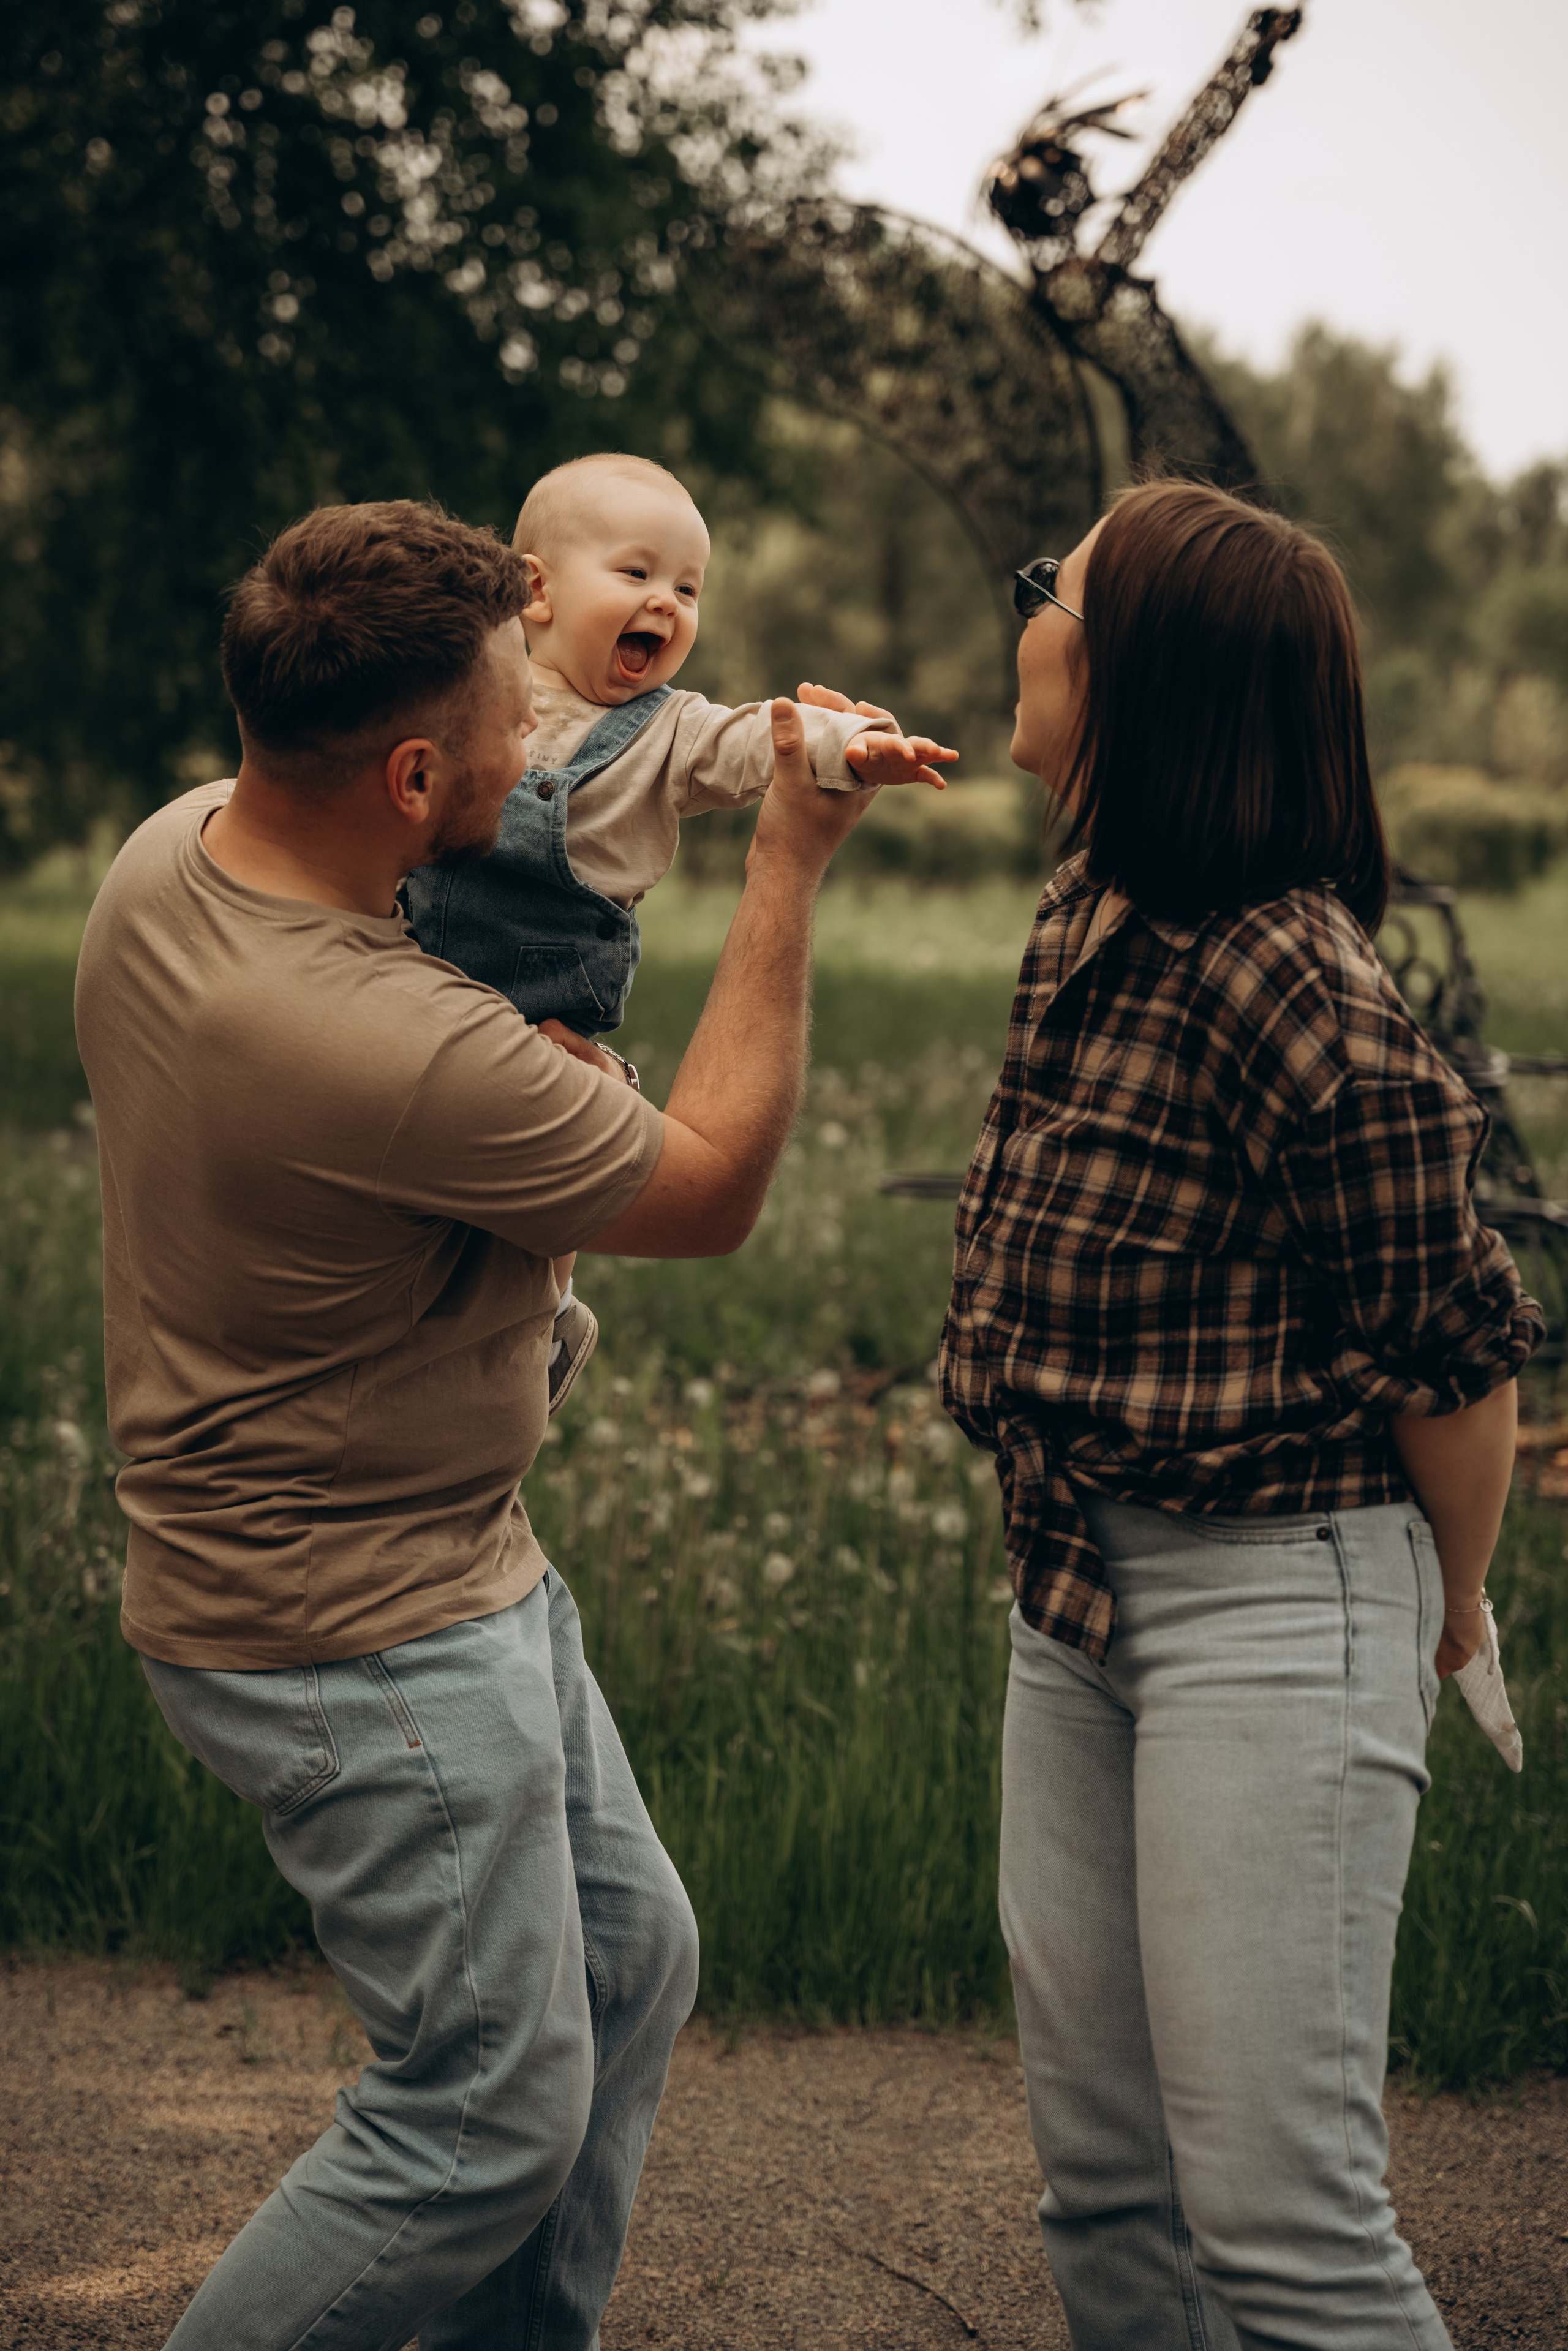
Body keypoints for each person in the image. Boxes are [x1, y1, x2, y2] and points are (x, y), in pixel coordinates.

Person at [73, 497, 886, 2351]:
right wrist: (786, 861)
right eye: (511, 730)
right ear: (422, 767)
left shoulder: (169, 857)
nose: (541, 755)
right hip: (357, 1624)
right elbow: (710, 1188)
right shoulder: (404, 1041)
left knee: (625, 1959)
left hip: (428, 1552)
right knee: (479, 2114)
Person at [940, 480, 1543, 2351]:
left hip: (1281, 1603)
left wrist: (1443, 1610)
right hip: (1076, 1589)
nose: (1025, 608)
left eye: (1057, 588)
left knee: (1283, 2225)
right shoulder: (1088, 903)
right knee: (1109, 2190)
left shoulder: (1296, 973)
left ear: (1144, 674)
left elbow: (1458, 1359)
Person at [404, 450, 954, 1413]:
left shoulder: (667, 733)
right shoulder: (475, 691)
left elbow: (759, 738)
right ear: (535, 589)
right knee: (425, 1214)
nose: (667, 601)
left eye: (688, 588)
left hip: (544, 1015)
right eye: (637, 573)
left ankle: (546, 1321)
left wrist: (851, 749)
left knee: (546, 1178)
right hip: (415, 979)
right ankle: (444, 1343)